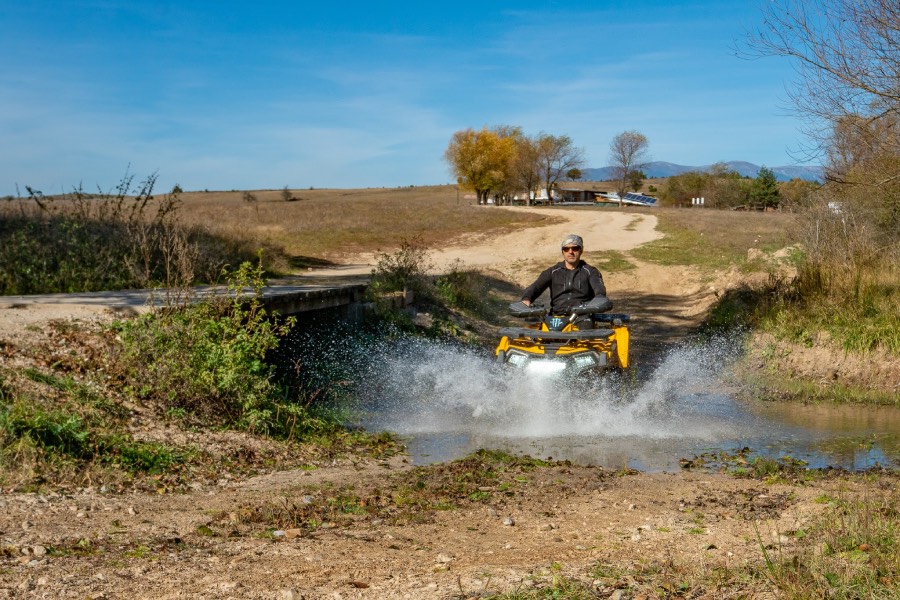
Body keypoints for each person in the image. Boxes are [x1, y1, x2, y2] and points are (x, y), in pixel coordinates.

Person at [520, 234, 606, 327]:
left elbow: (599, 289)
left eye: (575, 248)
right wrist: (526, 299)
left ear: (581, 250)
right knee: (532, 326)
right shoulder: (552, 272)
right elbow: (536, 287)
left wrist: (599, 298)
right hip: (555, 318)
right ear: (563, 252)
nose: (570, 252)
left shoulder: (590, 271)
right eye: (566, 249)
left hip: (581, 317)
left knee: (586, 327)